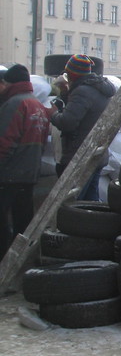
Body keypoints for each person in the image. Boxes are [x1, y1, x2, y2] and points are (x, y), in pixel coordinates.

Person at [0, 65, 51, 259]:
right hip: (30, 173)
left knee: (3, 222)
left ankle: (3, 261)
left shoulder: (14, 104)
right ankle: (21, 262)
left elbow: (4, 141)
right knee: (23, 223)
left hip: (9, 174)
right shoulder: (37, 104)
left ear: (10, 83)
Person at [49, 54, 115, 201]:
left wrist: (53, 114)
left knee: (73, 203)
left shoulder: (82, 92)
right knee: (90, 203)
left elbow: (68, 122)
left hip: (80, 155)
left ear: (72, 74)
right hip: (96, 153)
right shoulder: (99, 89)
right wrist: (66, 93)